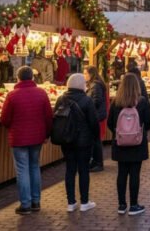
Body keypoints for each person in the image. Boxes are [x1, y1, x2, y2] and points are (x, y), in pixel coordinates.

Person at [0, 66, 53, 214]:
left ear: (18, 78)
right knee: (34, 167)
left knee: (22, 170)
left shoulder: (12, 95)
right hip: (37, 137)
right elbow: (48, 117)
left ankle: (25, 204)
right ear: (32, 78)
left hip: (18, 138)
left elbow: (5, 119)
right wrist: (47, 134)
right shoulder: (42, 93)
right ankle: (36, 201)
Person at [107, 73, 150, 216]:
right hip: (137, 144)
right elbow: (148, 122)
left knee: (121, 173)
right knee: (135, 174)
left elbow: (110, 123)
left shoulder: (116, 103)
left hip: (120, 143)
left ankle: (121, 204)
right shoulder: (142, 102)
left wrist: (119, 133)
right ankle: (134, 205)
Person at [56, 74, 99, 212]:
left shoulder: (61, 99)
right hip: (84, 141)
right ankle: (84, 202)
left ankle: (71, 202)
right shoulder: (87, 100)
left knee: (70, 170)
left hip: (67, 140)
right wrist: (96, 137)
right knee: (83, 170)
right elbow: (94, 122)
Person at [84, 66, 108, 172]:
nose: (84, 76)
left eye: (85, 73)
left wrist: (87, 107)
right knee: (95, 140)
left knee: (95, 140)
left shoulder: (95, 85)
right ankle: (95, 162)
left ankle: (98, 163)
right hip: (97, 115)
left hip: (96, 115)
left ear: (91, 74)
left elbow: (96, 100)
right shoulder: (95, 84)